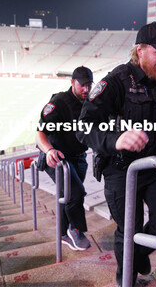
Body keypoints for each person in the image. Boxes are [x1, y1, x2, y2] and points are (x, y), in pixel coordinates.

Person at [76, 22, 156, 286]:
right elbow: (83, 128)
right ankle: (125, 281)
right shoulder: (115, 82)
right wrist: (116, 139)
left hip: (155, 167)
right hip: (120, 170)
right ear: (139, 50)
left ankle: (137, 255)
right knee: (129, 229)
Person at [36, 66, 94, 251]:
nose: (86, 89)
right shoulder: (59, 102)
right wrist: (49, 151)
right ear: (72, 83)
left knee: (66, 196)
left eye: (89, 85)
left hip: (79, 158)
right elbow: (40, 134)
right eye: (82, 85)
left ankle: (62, 234)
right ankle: (76, 230)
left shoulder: (89, 102)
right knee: (76, 194)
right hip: (58, 159)